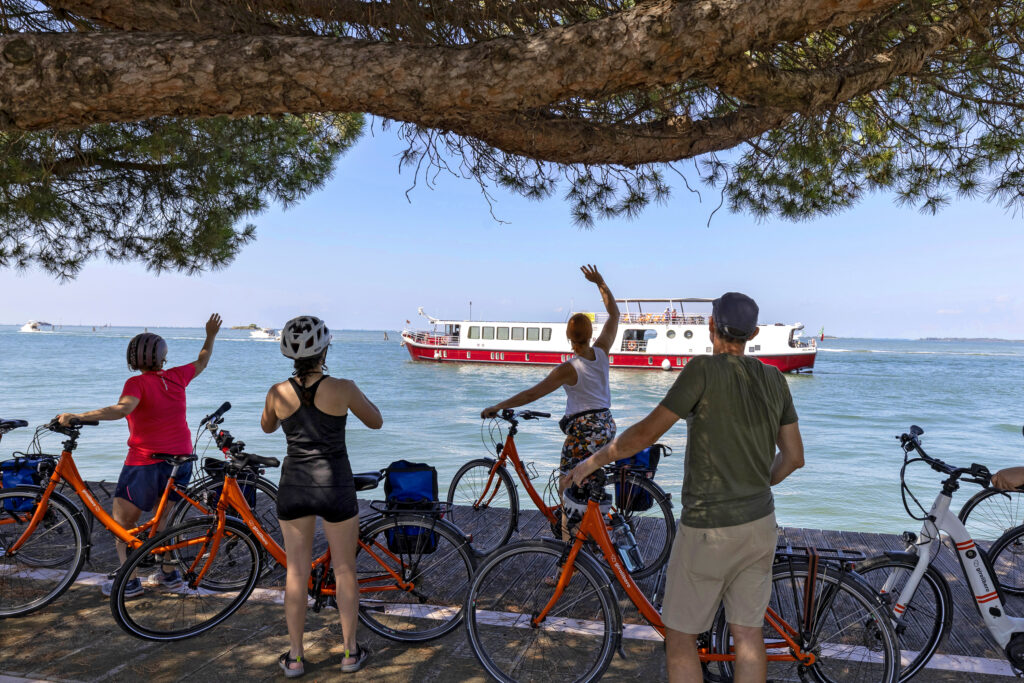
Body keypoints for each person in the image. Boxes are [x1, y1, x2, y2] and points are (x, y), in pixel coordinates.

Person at [564, 292, 805, 683]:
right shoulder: (775, 379)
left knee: (679, 637)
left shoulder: (701, 371)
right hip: (760, 524)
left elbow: (641, 435)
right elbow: (794, 457)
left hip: (707, 530)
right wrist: (759, 483)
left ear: (710, 326)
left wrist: (587, 463)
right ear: (754, 333)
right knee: (747, 635)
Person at [56, 314, 222, 597]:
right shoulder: (177, 376)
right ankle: (169, 576)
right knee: (168, 520)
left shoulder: (136, 383)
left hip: (146, 461)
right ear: (163, 358)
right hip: (181, 457)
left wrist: (78, 416)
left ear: (133, 360)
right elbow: (203, 360)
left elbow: (122, 409)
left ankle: (130, 581)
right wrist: (210, 334)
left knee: (122, 523)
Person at [261, 315, 382, 677]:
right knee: (345, 569)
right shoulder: (343, 387)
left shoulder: (277, 391)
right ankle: (349, 653)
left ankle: (295, 658)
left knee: (296, 571)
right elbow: (375, 421)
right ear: (324, 349)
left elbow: (266, 426)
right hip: (335, 485)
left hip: (294, 485)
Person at [482, 265, 619, 546]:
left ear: (569, 338)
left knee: (567, 488)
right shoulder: (602, 352)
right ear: (591, 334)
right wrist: (600, 283)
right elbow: (615, 314)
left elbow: (532, 394)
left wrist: (497, 405)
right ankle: (595, 537)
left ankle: (568, 558)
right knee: (590, 486)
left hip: (584, 432)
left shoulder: (569, 368)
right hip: (607, 426)